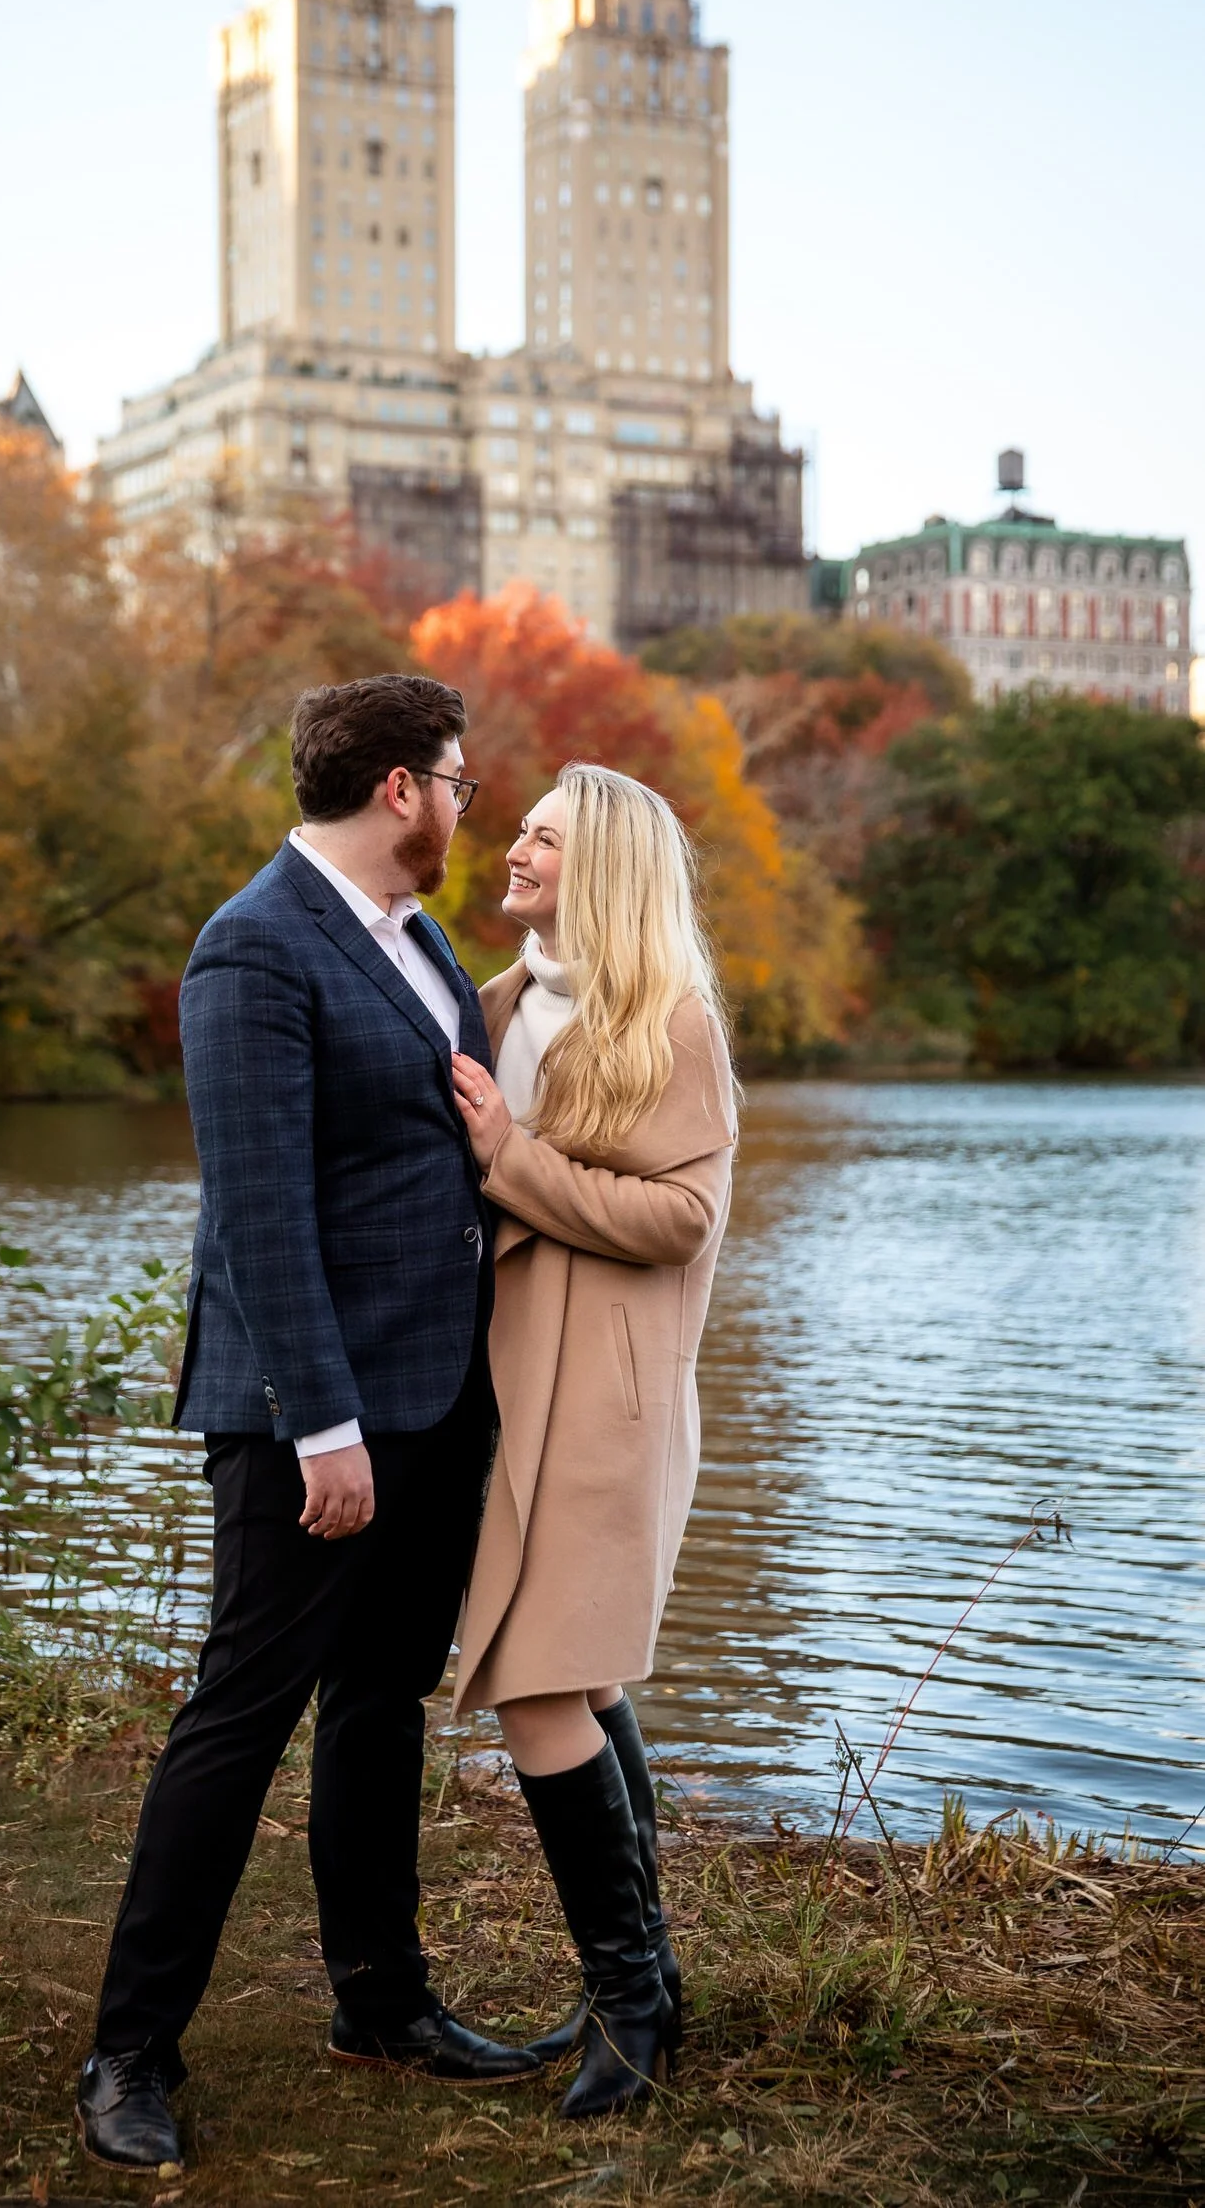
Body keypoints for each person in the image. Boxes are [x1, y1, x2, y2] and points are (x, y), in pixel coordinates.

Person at [76, 674, 541, 2174]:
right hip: (316, 1417)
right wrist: (318, 1428)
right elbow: (260, 1215)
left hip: (435, 1393)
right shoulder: (252, 947)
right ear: (399, 787)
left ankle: (382, 2006)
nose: (472, 807)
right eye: (461, 781)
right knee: (237, 1718)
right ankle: (128, 2053)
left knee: (379, 1706)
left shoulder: (417, 941)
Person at [449, 763, 737, 2120]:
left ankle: (624, 2003)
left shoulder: (668, 1023)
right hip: (498, 1394)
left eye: (541, 840)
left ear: (601, 870)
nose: (511, 850)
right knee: (584, 1679)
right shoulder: (488, 1002)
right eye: (517, 830)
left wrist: (512, 1158)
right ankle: (649, 1980)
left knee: (538, 1683)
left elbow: (679, 1219)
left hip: (607, 1401)